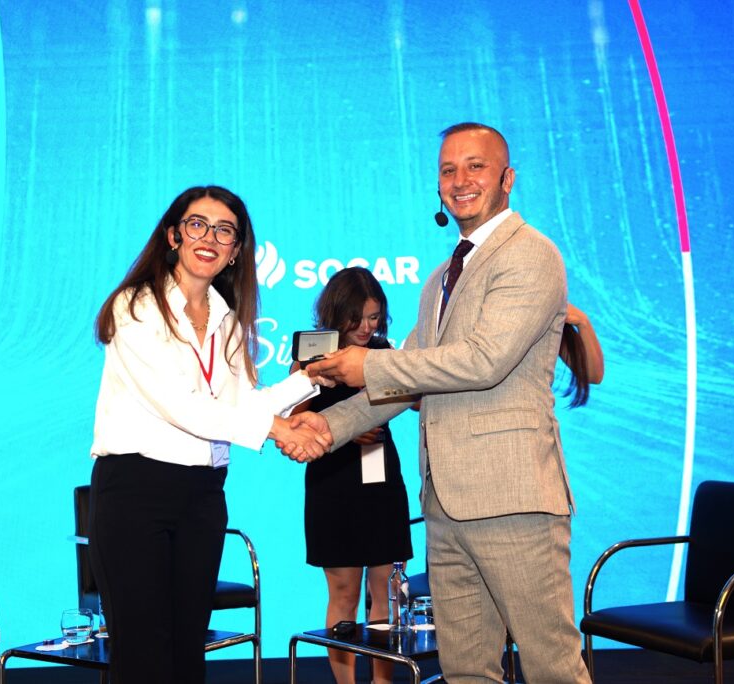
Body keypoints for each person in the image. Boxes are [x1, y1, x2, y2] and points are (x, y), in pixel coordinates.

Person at [303, 123, 593, 683]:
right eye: (447, 169)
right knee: (464, 670)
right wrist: (320, 428)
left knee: (550, 665)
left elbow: (483, 361)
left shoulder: (531, 255)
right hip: (445, 504)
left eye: (475, 166)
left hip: (513, 501)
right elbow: (401, 384)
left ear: (507, 178)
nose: (459, 180)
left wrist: (368, 365)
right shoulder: (440, 277)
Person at [87, 185, 331, 684]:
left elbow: (238, 408)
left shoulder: (228, 321)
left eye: (225, 231)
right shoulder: (135, 308)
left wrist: (308, 380)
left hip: (201, 497)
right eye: (197, 224)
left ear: (236, 250)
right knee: (143, 657)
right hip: (136, 492)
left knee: (187, 652)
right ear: (174, 235)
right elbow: (182, 407)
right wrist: (278, 428)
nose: (210, 238)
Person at [291, 267, 413, 684]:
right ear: (335, 313)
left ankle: (382, 681)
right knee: (342, 592)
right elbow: (291, 419)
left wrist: (410, 376)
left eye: (375, 317)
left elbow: (412, 401)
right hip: (333, 482)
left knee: (386, 593)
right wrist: (343, 426)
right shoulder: (311, 357)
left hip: (382, 480)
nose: (366, 327)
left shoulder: (385, 352)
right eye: (357, 318)